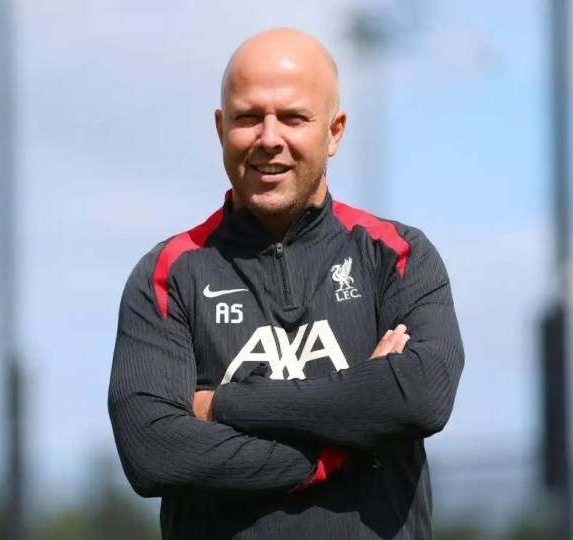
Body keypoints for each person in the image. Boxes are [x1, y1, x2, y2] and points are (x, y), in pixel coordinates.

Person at [108, 27, 464, 539]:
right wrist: (332, 451)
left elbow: (419, 396)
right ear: (221, 128)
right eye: (248, 117)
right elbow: (153, 452)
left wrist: (223, 406)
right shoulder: (167, 274)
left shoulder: (398, 256)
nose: (269, 138)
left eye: (293, 118)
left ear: (334, 131)